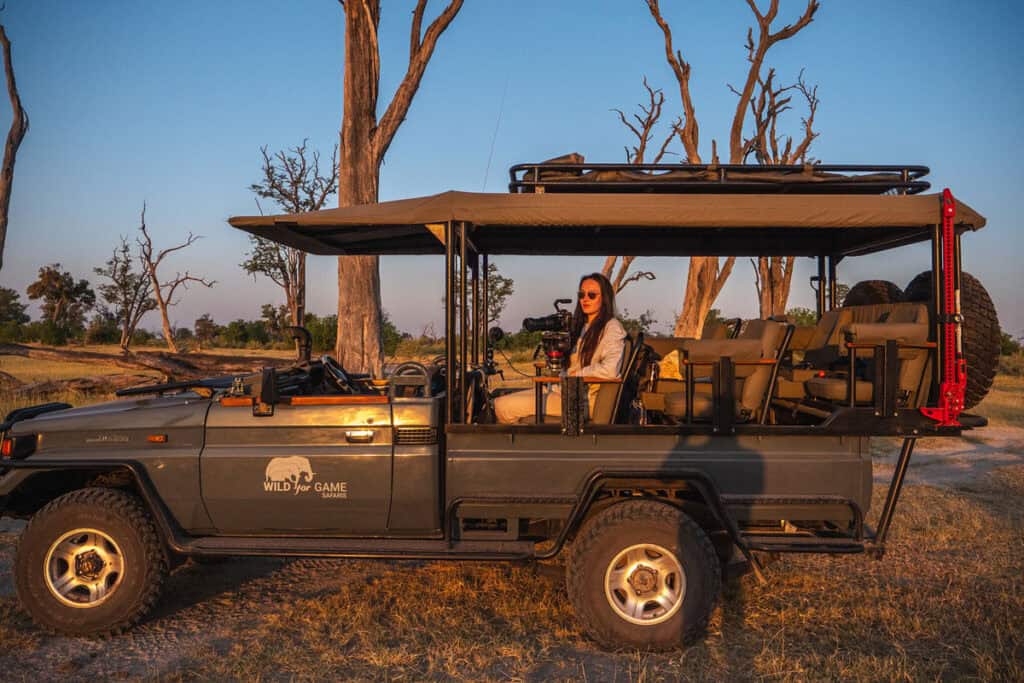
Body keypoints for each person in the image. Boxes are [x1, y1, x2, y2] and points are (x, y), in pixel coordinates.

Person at [494, 272, 627, 424]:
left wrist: (577, 375)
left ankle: (527, 443)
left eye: (592, 295)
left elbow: (611, 370)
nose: (585, 299)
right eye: (581, 294)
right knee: (499, 400)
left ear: (604, 298)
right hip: (564, 389)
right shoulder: (582, 326)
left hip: (580, 399)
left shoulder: (612, 328)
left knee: (502, 407)